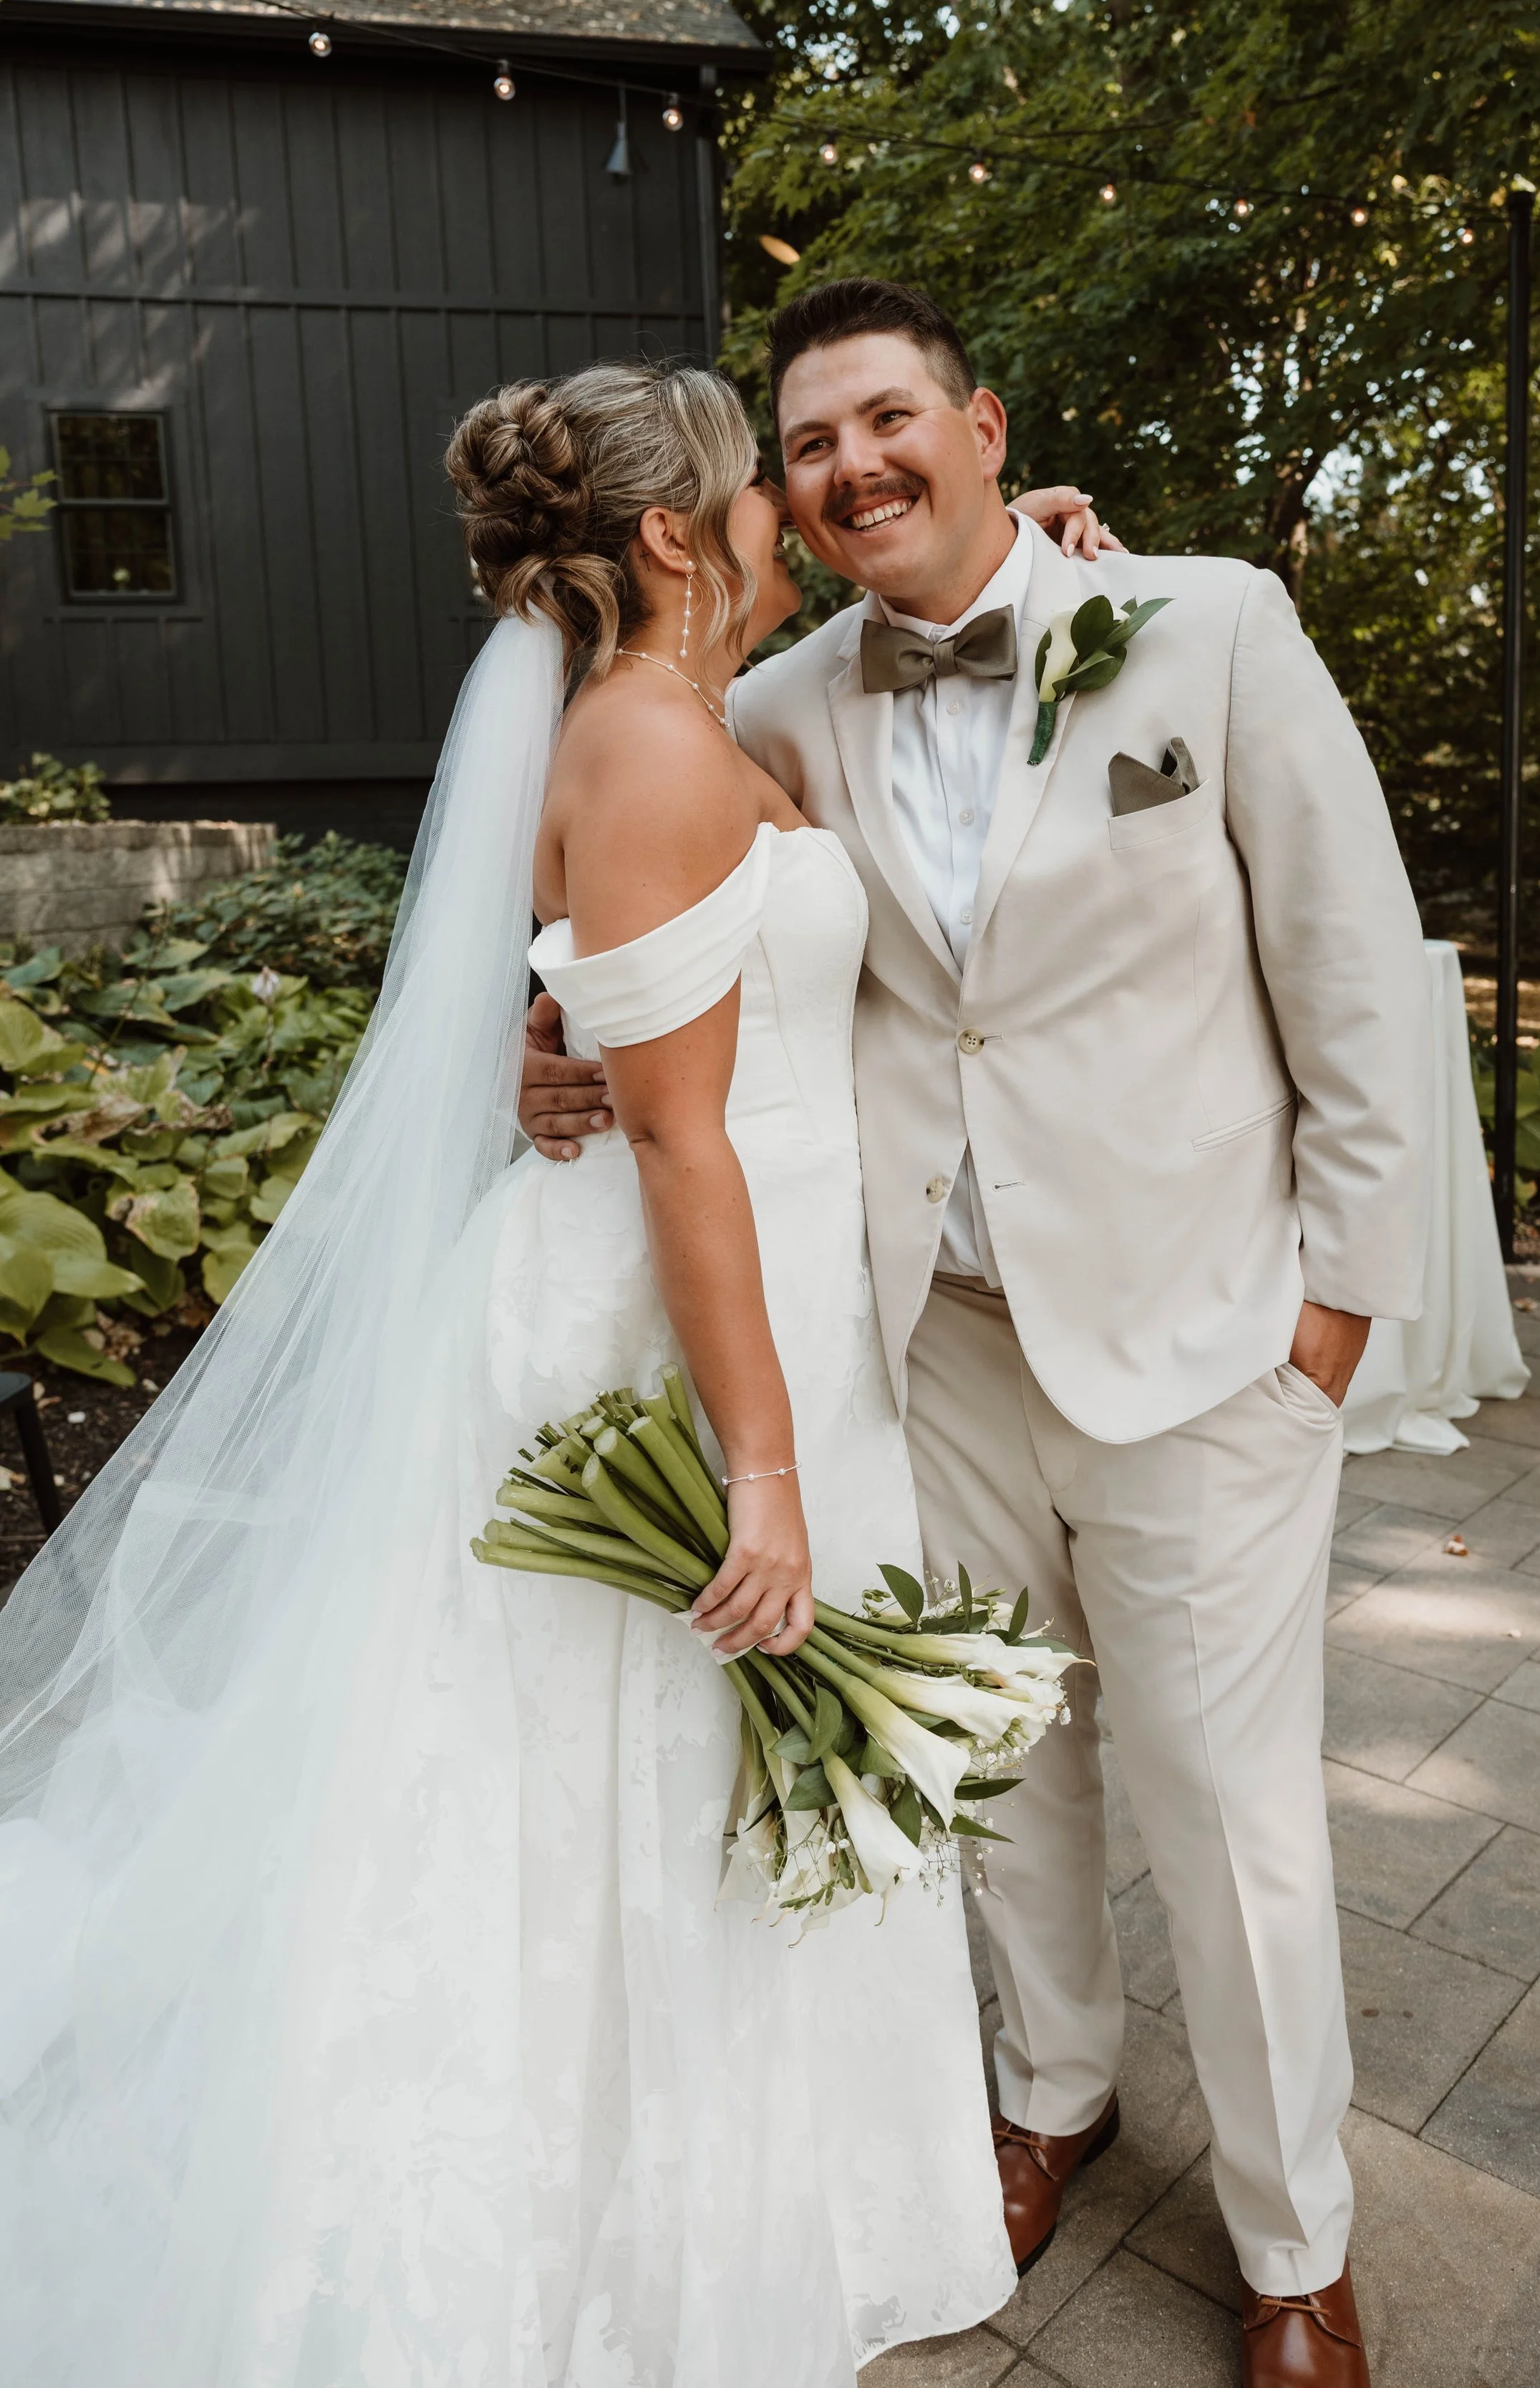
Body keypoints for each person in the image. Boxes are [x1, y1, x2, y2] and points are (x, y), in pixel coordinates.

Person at [0, 361, 1022, 2387]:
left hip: (733, 1284)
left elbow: (607, 1034)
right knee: (619, 1758)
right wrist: (762, 1470)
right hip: (679, 1316)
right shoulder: (651, 746)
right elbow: (676, 1135)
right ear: (669, 537)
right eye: (753, 494)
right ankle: (591, 2218)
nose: (779, 524)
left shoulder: (649, 723)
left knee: (646, 1756)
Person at [520, 281, 1433, 2388]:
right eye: (808, 445)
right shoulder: (776, 702)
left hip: (1208, 1343)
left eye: (883, 419)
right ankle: (1048, 2100)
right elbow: (628, 911)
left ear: (984, 424)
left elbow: (1357, 976)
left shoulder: (1205, 625)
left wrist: (1330, 1312)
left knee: (1230, 1811)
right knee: (995, 1756)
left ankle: (1294, 2239)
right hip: (925, 1342)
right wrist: (540, 1049)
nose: (847, 466)